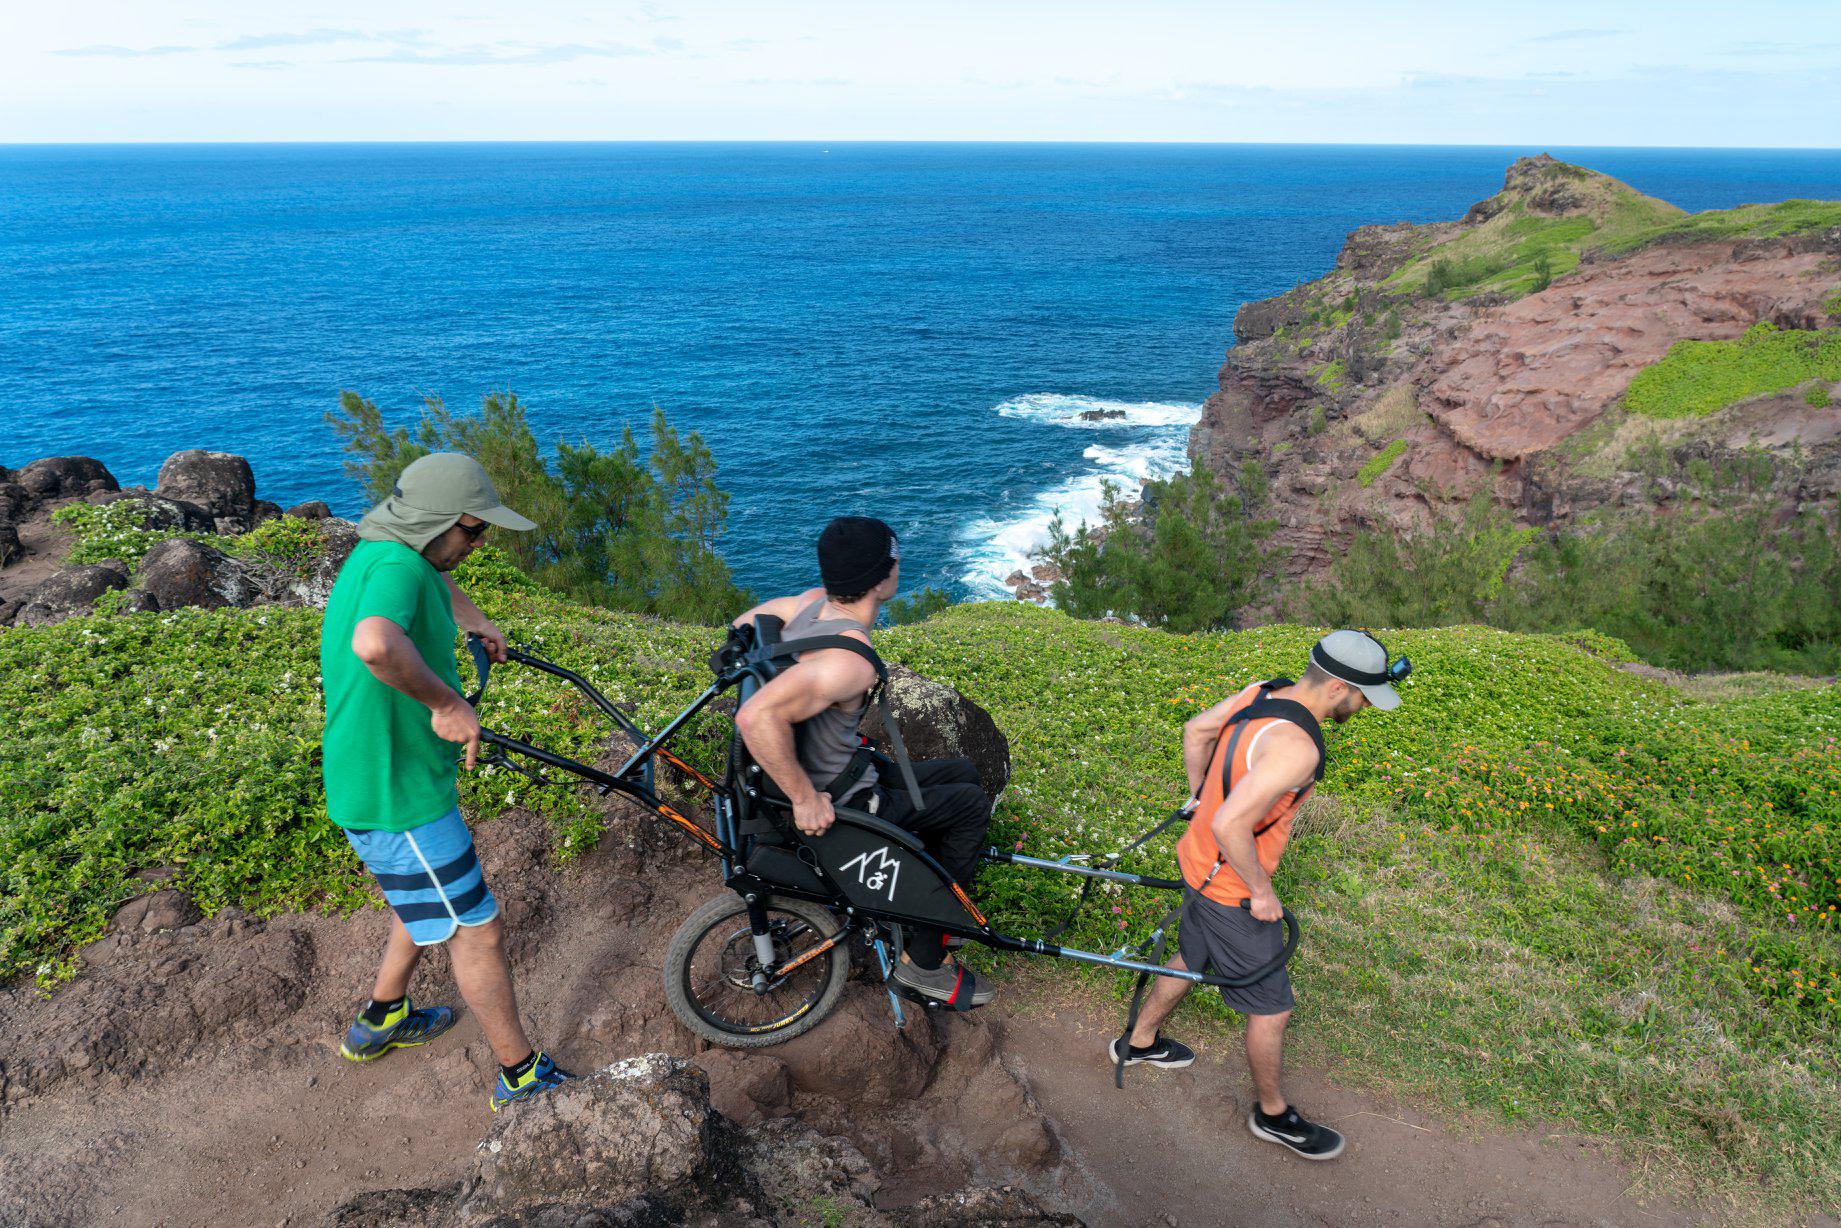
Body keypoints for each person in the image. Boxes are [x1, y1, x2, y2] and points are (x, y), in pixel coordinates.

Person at [319, 452, 574, 1111]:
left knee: (429, 901)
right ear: (436, 523)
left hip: (387, 781)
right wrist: (446, 704)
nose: (478, 542)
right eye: (472, 530)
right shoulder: (400, 565)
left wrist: (474, 618)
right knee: (476, 929)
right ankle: (521, 1076)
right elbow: (375, 643)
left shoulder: (390, 551)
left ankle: (381, 1020)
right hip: (396, 794)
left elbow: (429, 575)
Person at [1110, 630, 1408, 1161]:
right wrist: (1261, 891)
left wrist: (1198, 795)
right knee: (1271, 1008)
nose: (1364, 707)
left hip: (1195, 862)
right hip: (1229, 889)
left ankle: (1138, 1043)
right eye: (1364, 696)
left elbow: (1197, 730)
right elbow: (1232, 824)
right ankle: (1273, 1115)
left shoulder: (1261, 693)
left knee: (1192, 956)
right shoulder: (1297, 749)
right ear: (1339, 687)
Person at [732, 516, 997, 1008]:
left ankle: (916, 896)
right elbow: (755, 717)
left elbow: (743, 624)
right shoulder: (849, 661)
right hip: (844, 799)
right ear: (880, 578)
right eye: (894, 560)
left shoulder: (810, 602)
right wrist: (805, 799)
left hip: (848, 768)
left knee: (962, 773)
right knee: (969, 807)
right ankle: (925, 961)